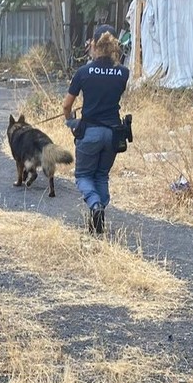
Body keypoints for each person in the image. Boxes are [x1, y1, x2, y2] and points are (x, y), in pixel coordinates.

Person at [61, 24, 129, 234]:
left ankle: (94, 205)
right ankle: (98, 215)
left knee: (83, 175)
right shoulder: (123, 73)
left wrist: (71, 121)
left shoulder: (83, 72)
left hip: (89, 131)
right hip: (112, 133)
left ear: (93, 44)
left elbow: (66, 105)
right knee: (101, 175)